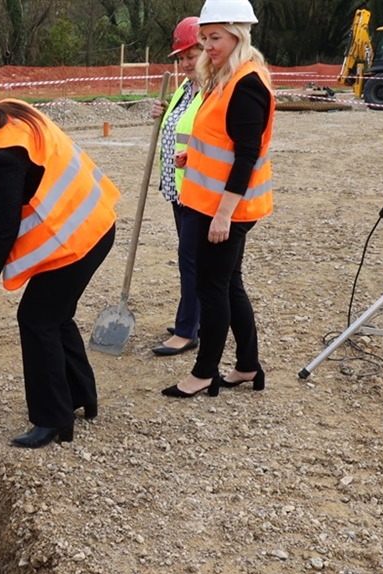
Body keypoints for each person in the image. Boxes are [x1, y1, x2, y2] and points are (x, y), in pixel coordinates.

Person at [0, 65, 119, 449]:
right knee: (55, 315)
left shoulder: (4, 156)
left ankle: (53, 419)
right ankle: (81, 397)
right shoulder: (11, 112)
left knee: (36, 318)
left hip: (77, 236)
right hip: (91, 223)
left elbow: (3, 232)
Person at [162, 0, 273, 398]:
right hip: (211, 200)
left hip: (225, 207)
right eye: (205, 38)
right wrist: (192, 155)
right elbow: (221, 138)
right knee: (228, 284)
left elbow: (247, 154)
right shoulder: (225, 75)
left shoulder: (246, 82)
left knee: (212, 287)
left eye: (216, 38)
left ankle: (205, 371)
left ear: (238, 35)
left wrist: (224, 215)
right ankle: (246, 366)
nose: (208, 46)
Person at [152, 16, 205, 357]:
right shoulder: (185, 89)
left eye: (192, 54)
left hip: (199, 190)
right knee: (189, 257)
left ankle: (188, 330)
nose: (185, 62)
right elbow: (175, 131)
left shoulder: (214, 91)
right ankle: (192, 319)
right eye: (181, 57)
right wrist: (163, 111)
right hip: (178, 188)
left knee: (191, 259)